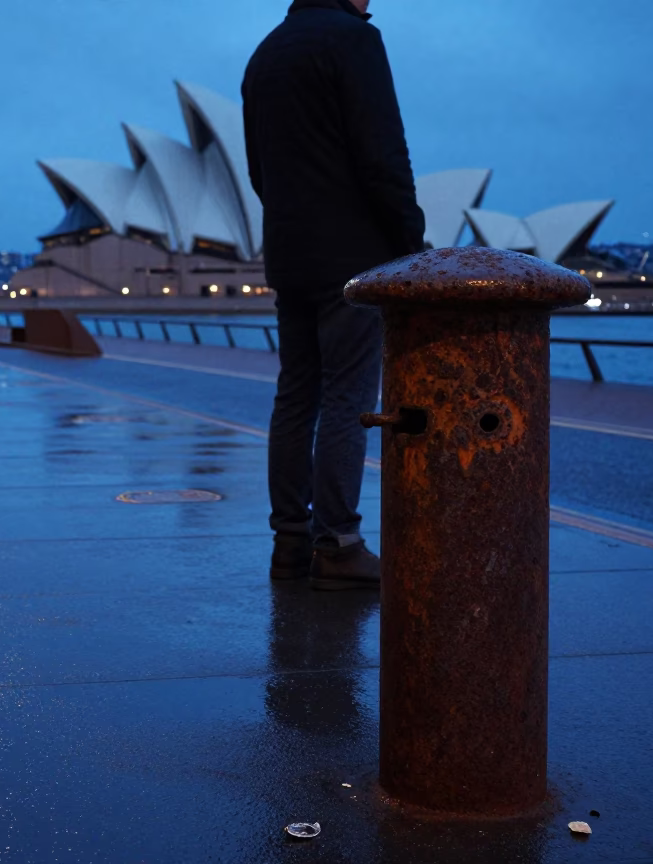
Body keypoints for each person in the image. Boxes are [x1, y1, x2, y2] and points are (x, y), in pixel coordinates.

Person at [243, 0, 426, 590]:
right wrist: (410, 242)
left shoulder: (266, 52)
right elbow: (383, 154)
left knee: (295, 397)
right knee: (348, 397)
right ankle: (340, 545)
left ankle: (289, 542)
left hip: (290, 251)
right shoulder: (354, 41)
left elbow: (256, 170)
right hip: (351, 254)